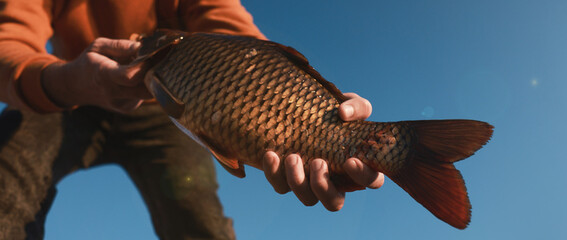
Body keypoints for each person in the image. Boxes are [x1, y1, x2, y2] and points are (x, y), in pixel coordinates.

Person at [0, 0, 383, 239]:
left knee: (196, 219)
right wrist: (66, 82)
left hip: (171, 113)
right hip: (67, 93)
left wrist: (310, 104)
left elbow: (234, 33)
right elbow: (9, 43)